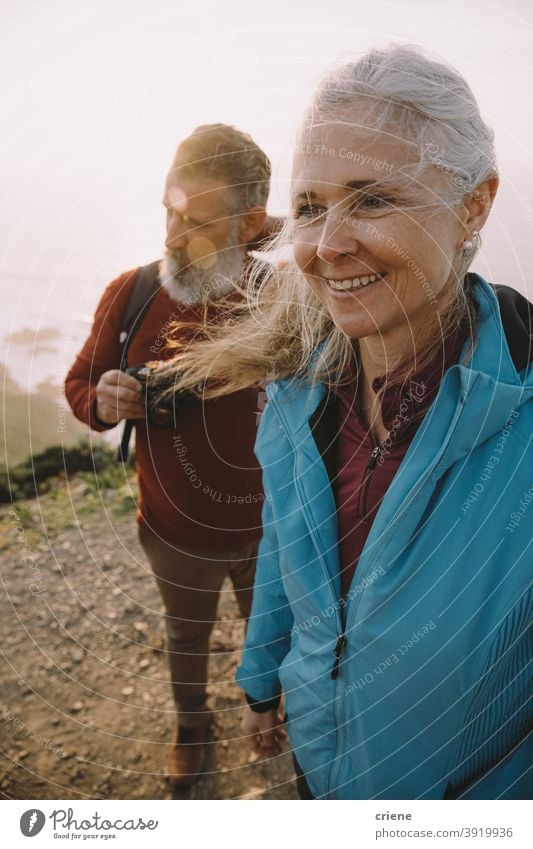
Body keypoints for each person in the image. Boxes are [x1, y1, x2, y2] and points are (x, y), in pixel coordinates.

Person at [160, 46, 533, 799]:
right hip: (317, 768)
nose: (326, 245)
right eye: (309, 206)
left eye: (371, 198)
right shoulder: (301, 393)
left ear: (472, 204)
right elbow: (285, 555)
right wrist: (263, 683)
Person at [65, 123, 274, 787]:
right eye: (168, 211)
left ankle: (268, 715)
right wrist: (104, 399)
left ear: (249, 223)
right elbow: (80, 384)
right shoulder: (131, 293)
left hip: (272, 530)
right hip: (172, 527)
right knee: (185, 636)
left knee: (270, 639)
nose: (172, 236)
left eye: (197, 221)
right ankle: (192, 727)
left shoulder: (286, 300)